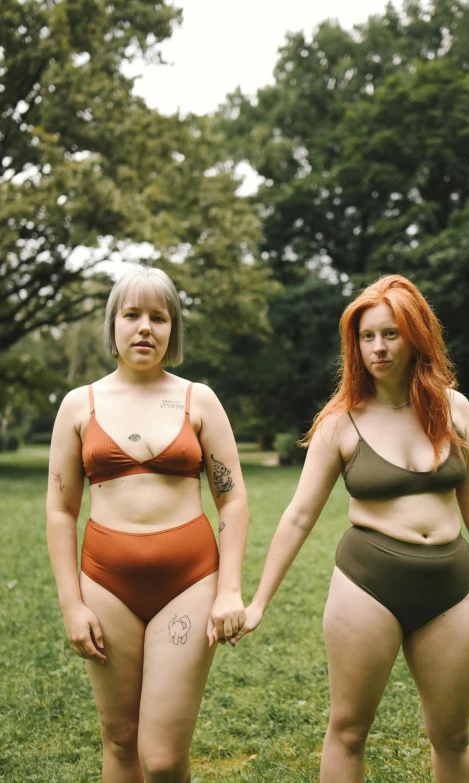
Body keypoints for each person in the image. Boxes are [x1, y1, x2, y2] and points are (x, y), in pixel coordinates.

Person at [230, 274, 469, 783]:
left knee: (453, 737)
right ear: (354, 344)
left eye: (390, 333)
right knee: (348, 730)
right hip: (368, 585)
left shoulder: (456, 410)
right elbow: (299, 514)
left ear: (416, 336)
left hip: (448, 586)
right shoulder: (340, 422)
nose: (378, 348)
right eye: (367, 337)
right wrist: (258, 602)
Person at [46, 265, 248, 783]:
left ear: (172, 330)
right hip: (105, 584)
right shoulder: (78, 405)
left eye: (158, 317)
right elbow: (61, 509)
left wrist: (229, 591)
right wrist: (72, 604)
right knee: (119, 740)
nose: (144, 328)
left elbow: (233, 500)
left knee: (161, 758)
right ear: (113, 325)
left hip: (189, 582)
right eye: (132, 315)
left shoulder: (197, 399)